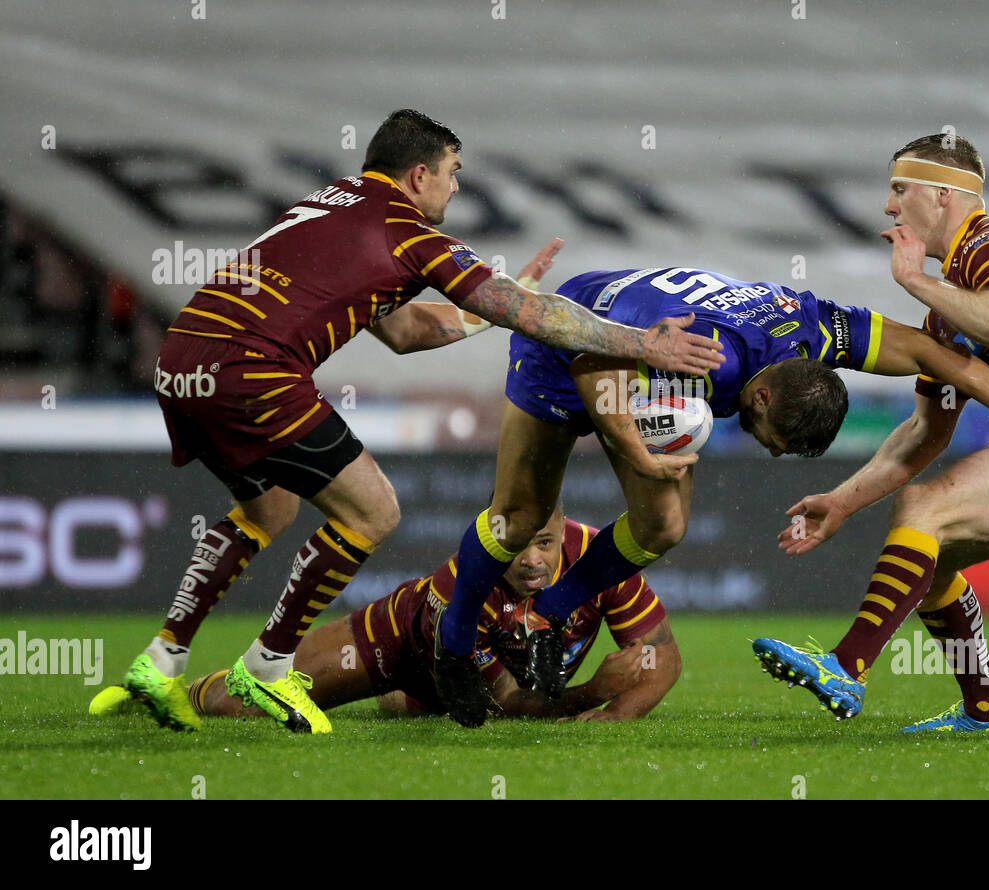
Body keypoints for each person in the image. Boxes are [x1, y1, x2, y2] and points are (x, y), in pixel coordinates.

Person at [123, 109, 723, 735]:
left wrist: (493, 309)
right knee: (373, 511)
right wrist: (642, 345)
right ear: (418, 174)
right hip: (254, 369)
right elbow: (540, 320)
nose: (457, 187)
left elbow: (407, 331)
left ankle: (164, 657)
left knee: (267, 511)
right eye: (452, 172)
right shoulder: (408, 232)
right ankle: (267, 666)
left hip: (182, 359)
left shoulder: (325, 207)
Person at [435, 247, 989, 728]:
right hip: (572, 334)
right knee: (519, 517)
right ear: (755, 395)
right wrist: (632, 445)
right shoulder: (712, 357)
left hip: (653, 368)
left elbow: (933, 356)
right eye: (764, 435)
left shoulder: (818, 328)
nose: (762, 448)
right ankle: (456, 651)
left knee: (664, 526)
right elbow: (591, 355)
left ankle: (546, 615)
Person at [754, 133, 989, 731]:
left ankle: (846, 668)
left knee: (924, 507)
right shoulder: (949, 307)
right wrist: (842, 502)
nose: (889, 207)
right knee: (929, 562)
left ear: (945, 196)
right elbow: (925, 433)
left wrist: (914, 280)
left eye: (901, 190)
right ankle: (986, 709)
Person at [93, 507, 679, 723]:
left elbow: (663, 660)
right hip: (397, 639)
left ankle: (410, 704)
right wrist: (589, 694)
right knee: (251, 702)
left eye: (544, 544)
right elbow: (503, 703)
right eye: (518, 545)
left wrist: (615, 716)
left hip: (466, 683)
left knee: (427, 708)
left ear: (561, 537)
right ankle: (173, 693)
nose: (531, 560)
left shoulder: (597, 560)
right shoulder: (465, 584)